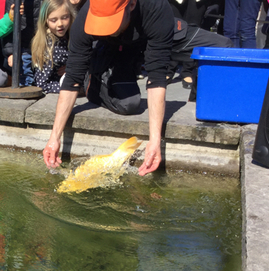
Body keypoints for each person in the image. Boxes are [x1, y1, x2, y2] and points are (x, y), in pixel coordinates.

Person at [42, 0, 232, 175]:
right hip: (116, 48)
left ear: (131, 5)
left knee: (222, 47)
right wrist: (54, 137)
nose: (107, 27)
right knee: (129, 104)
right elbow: (72, 79)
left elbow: (156, 78)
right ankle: (94, 82)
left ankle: (198, 102)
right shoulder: (86, 16)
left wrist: (155, 141)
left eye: (111, 21)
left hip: (155, 33)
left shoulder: (155, 8)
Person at [32, 0, 76, 93]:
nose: (60, 24)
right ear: (45, 21)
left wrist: (70, 68)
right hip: (61, 87)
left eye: (65, 17)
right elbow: (42, 84)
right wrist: (68, 88)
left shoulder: (72, 37)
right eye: (54, 20)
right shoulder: (49, 46)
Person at [2, 0, 42, 87]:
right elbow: (9, 25)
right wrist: (11, 52)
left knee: (41, 77)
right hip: (22, 46)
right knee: (25, 76)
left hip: (41, 44)